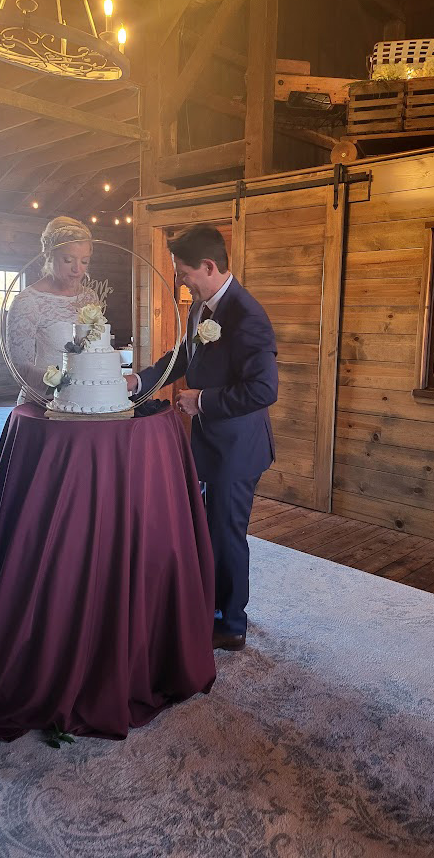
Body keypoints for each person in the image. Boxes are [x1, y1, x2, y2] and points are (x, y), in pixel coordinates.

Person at [126, 224, 278, 651]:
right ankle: (208, 605)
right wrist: (141, 380)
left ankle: (231, 624)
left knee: (227, 532)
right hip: (208, 444)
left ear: (209, 267)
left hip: (237, 448)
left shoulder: (248, 317)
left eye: (184, 273)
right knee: (206, 528)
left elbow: (264, 390)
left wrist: (203, 402)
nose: (180, 281)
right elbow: (181, 357)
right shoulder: (200, 309)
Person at [7, 216, 98, 404]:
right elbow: (21, 367)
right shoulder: (27, 301)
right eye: (68, 260)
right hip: (43, 401)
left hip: (87, 399)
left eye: (85, 261)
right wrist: (64, 385)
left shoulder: (90, 297)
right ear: (49, 255)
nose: (77, 269)